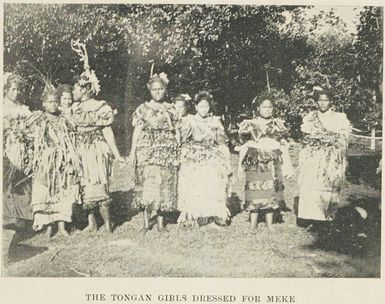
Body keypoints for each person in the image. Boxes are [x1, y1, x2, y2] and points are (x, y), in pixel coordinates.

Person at [71, 40, 125, 233]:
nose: (73, 92)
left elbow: (107, 131)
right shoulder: (73, 108)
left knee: (98, 182)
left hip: (95, 148)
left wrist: (117, 154)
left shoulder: (99, 107)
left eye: (76, 89)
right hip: (79, 149)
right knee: (84, 183)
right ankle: (92, 223)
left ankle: (108, 224)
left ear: (85, 89)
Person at [129, 73, 179, 233]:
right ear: (149, 90)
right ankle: (145, 223)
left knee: (164, 184)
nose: (157, 92)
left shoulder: (171, 109)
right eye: (154, 89)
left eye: (160, 89)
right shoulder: (142, 109)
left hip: (166, 150)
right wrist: (132, 152)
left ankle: (160, 223)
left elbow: (176, 131)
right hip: (147, 150)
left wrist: (177, 149)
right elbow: (137, 130)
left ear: (165, 89)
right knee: (148, 185)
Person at [27, 88, 81, 237]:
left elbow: (71, 137)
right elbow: (32, 137)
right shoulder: (39, 119)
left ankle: (62, 225)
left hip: (62, 159)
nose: (53, 105)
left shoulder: (64, 119)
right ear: (44, 103)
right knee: (46, 190)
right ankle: (48, 225)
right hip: (45, 159)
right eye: (50, 102)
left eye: (56, 102)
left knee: (62, 190)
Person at [177, 91, 232, 228]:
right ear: (196, 107)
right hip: (195, 154)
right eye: (201, 106)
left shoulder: (215, 121)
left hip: (211, 154)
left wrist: (225, 158)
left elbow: (221, 142)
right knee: (196, 183)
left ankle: (211, 215)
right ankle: (195, 216)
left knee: (213, 182)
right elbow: (183, 140)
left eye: (206, 107)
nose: (204, 109)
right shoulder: (190, 120)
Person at [297, 87, 350, 224]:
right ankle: (310, 216)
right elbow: (306, 135)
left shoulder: (339, 117)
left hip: (330, 158)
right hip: (314, 157)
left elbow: (344, 136)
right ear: (316, 102)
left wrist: (335, 142)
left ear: (330, 102)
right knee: (311, 185)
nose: (322, 103)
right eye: (320, 100)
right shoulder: (311, 117)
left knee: (328, 185)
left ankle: (327, 216)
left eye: (326, 100)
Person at [237, 94, 289, 230]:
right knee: (254, 190)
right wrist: (240, 165)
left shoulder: (277, 124)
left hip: (271, 162)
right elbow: (245, 145)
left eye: (270, 107)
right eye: (264, 107)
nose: (267, 110)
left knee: (270, 190)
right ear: (258, 108)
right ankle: (253, 223)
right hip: (255, 161)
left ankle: (269, 223)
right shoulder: (250, 124)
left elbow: (281, 143)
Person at [2, 73, 33, 263]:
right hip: (7, 152)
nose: (15, 92)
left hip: (23, 153)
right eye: (12, 89)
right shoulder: (2, 108)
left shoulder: (23, 109)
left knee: (21, 190)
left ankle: (15, 227)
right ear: (5, 89)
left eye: (18, 89)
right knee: (6, 189)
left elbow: (31, 127)